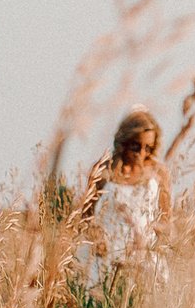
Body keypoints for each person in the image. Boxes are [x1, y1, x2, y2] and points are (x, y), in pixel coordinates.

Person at [72, 107, 171, 289]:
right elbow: (86, 215)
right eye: (135, 146)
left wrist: (155, 246)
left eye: (148, 148)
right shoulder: (103, 169)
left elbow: (165, 218)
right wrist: (97, 239)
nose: (141, 152)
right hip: (105, 253)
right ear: (124, 141)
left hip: (143, 253)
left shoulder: (159, 172)